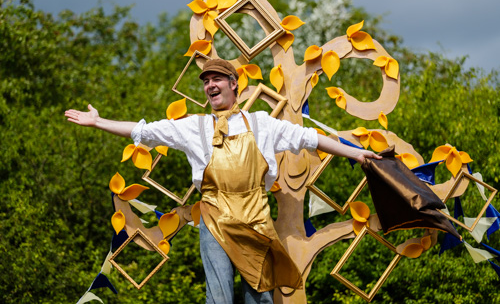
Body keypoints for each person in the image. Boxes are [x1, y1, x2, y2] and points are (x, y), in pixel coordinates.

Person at [65, 59, 381, 304]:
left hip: (255, 218)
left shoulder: (262, 123)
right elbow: (144, 131)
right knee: (218, 298)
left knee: (260, 297)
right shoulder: (194, 127)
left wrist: (357, 154)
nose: (210, 85)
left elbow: (312, 138)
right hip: (215, 217)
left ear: (233, 85)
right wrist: (98, 122)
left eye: (216, 79)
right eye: (206, 81)